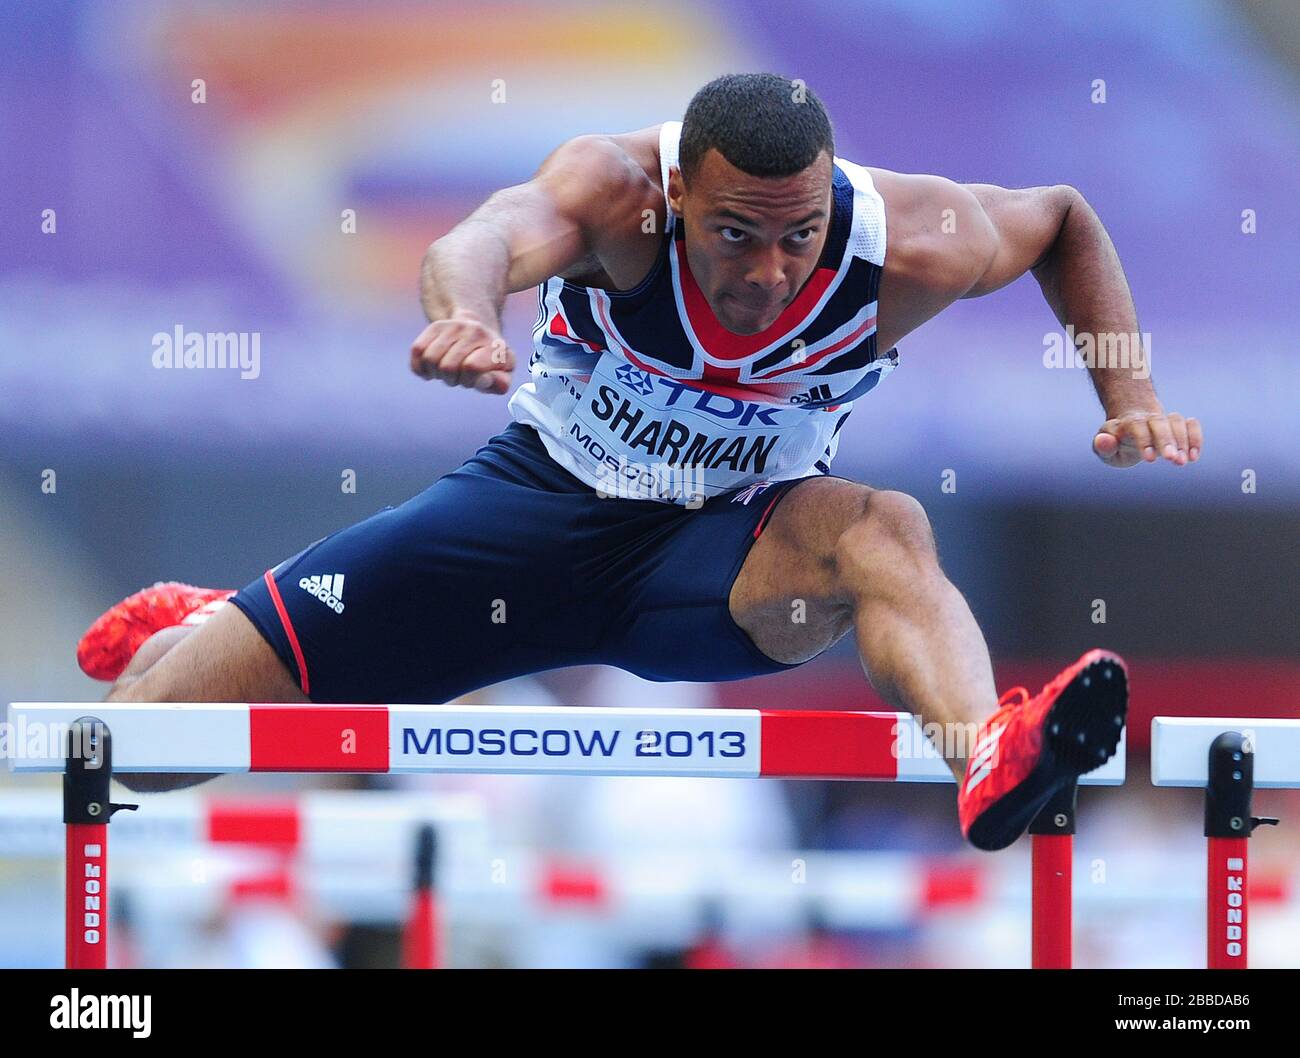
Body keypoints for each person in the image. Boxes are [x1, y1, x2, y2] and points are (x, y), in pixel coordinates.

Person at [77, 73, 1200, 851]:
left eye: (797, 236)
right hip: (525, 519)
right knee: (140, 748)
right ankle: (209, 626)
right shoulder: (612, 190)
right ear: (677, 198)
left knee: (883, 526)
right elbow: (482, 236)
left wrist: (1131, 397)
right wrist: (466, 314)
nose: (768, 272)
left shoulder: (914, 240)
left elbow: (1061, 221)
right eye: (734, 234)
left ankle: (987, 747)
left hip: (720, 557)